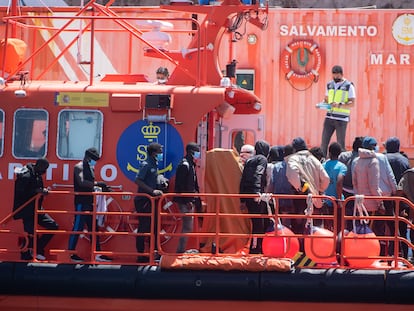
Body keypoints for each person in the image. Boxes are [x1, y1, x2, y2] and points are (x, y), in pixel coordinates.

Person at [68, 148, 112, 262]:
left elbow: (91, 184)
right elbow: (81, 182)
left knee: (94, 228)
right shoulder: (79, 167)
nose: (95, 162)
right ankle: (70, 253)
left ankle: (97, 253)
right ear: (88, 157)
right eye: (94, 159)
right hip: (81, 202)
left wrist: (102, 188)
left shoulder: (90, 168)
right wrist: (98, 184)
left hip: (90, 202)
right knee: (78, 227)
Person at [13, 158, 58, 260]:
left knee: (53, 226)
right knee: (30, 233)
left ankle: (38, 249)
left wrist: (43, 191)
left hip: (37, 209)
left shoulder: (37, 175)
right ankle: (26, 255)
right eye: (44, 168)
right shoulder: (26, 175)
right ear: (39, 165)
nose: (45, 171)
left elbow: (38, 189)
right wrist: (36, 191)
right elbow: (20, 192)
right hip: (27, 210)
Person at [286, 137, 330, 235]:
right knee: (315, 225)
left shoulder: (293, 159)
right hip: (315, 197)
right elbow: (326, 178)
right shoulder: (313, 159)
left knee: (300, 224)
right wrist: (320, 190)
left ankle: (301, 247)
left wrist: (300, 188)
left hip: (300, 197)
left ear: (294, 149)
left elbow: (292, 175)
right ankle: (313, 248)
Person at [134, 142, 164, 262]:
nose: (161, 154)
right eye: (160, 152)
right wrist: (152, 191)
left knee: (155, 226)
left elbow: (154, 178)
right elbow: (138, 180)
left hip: (152, 200)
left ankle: (156, 252)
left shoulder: (155, 165)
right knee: (144, 226)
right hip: (144, 200)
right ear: (154, 153)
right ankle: (140, 254)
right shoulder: (146, 164)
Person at [239, 140, 270, 254]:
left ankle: (254, 246)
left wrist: (242, 199)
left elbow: (243, 180)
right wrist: (257, 191)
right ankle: (257, 248)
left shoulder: (249, 160)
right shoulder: (262, 159)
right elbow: (259, 174)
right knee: (260, 224)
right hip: (256, 196)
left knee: (255, 223)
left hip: (247, 196)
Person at [320, 65, 356, 157]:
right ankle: (322, 162)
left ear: (342, 74)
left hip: (341, 119)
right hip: (329, 117)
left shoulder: (348, 86)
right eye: (334, 75)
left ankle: (342, 162)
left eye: (337, 76)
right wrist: (322, 103)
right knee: (324, 143)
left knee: (340, 144)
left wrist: (339, 104)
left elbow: (352, 103)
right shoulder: (330, 84)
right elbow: (327, 99)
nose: (335, 78)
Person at [174, 142, 201, 253]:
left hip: (190, 199)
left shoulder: (190, 164)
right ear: (191, 152)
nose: (198, 154)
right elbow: (180, 185)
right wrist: (187, 200)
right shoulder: (185, 165)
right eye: (197, 151)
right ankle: (180, 251)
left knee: (188, 226)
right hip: (185, 201)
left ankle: (181, 250)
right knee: (187, 227)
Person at [266, 145, 295, 228]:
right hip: (291, 199)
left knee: (278, 223)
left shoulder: (276, 166)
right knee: (288, 224)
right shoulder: (294, 166)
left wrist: (269, 196)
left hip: (278, 200)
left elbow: (271, 183)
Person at [322, 142, 347, 231]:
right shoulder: (342, 167)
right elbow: (339, 182)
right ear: (339, 153)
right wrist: (339, 199)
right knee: (339, 227)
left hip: (326, 200)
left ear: (329, 153)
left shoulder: (323, 165)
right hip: (337, 201)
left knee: (327, 227)